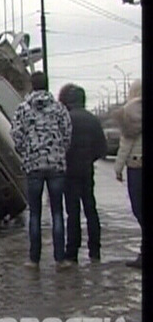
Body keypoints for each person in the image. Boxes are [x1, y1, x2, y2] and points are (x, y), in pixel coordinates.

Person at [11, 71, 72, 268]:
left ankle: (34, 259)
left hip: (33, 165)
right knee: (56, 212)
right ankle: (60, 259)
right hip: (56, 165)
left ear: (32, 86)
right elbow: (67, 134)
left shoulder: (23, 109)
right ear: (47, 85)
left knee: (35, 213)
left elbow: (16, 135)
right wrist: (59, 151)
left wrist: (26, 152)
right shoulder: (59, 108)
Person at [58, 84, 107, 264]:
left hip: (69, 173)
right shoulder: (93, 120)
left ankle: (72, 252)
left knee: (73, 213)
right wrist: (88, 159)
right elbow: (102, 148)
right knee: (91, 210)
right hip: (87, 171)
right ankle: (95, 251)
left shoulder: (65, 119)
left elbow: (60, 146)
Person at [112, 79, 142, 269]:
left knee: (139, 210)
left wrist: (118, 168)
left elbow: (126, 145)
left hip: (136, 167)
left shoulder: (129, 113)